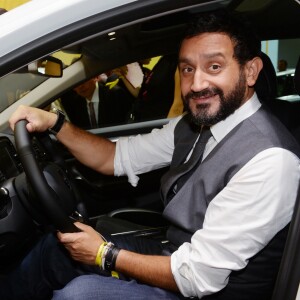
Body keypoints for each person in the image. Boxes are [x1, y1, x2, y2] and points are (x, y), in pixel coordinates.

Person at [2, 11, 300, 300]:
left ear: (250, 71)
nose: (196, 85)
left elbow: (198, 276)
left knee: (77, 296)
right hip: (177, 254)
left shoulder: (271, 159)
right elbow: (113, 157)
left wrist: (104, 254)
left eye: (214, 67)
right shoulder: (194, 126)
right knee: (54, 252)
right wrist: (56, 123)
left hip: (206, 288)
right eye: (187, 69)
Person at [59, 76, 133, 129]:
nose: (80, 86)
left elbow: (128, 124)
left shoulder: (115, 94)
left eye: (83, 80)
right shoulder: (75, 104)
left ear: (95, 77)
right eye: (76, 84)